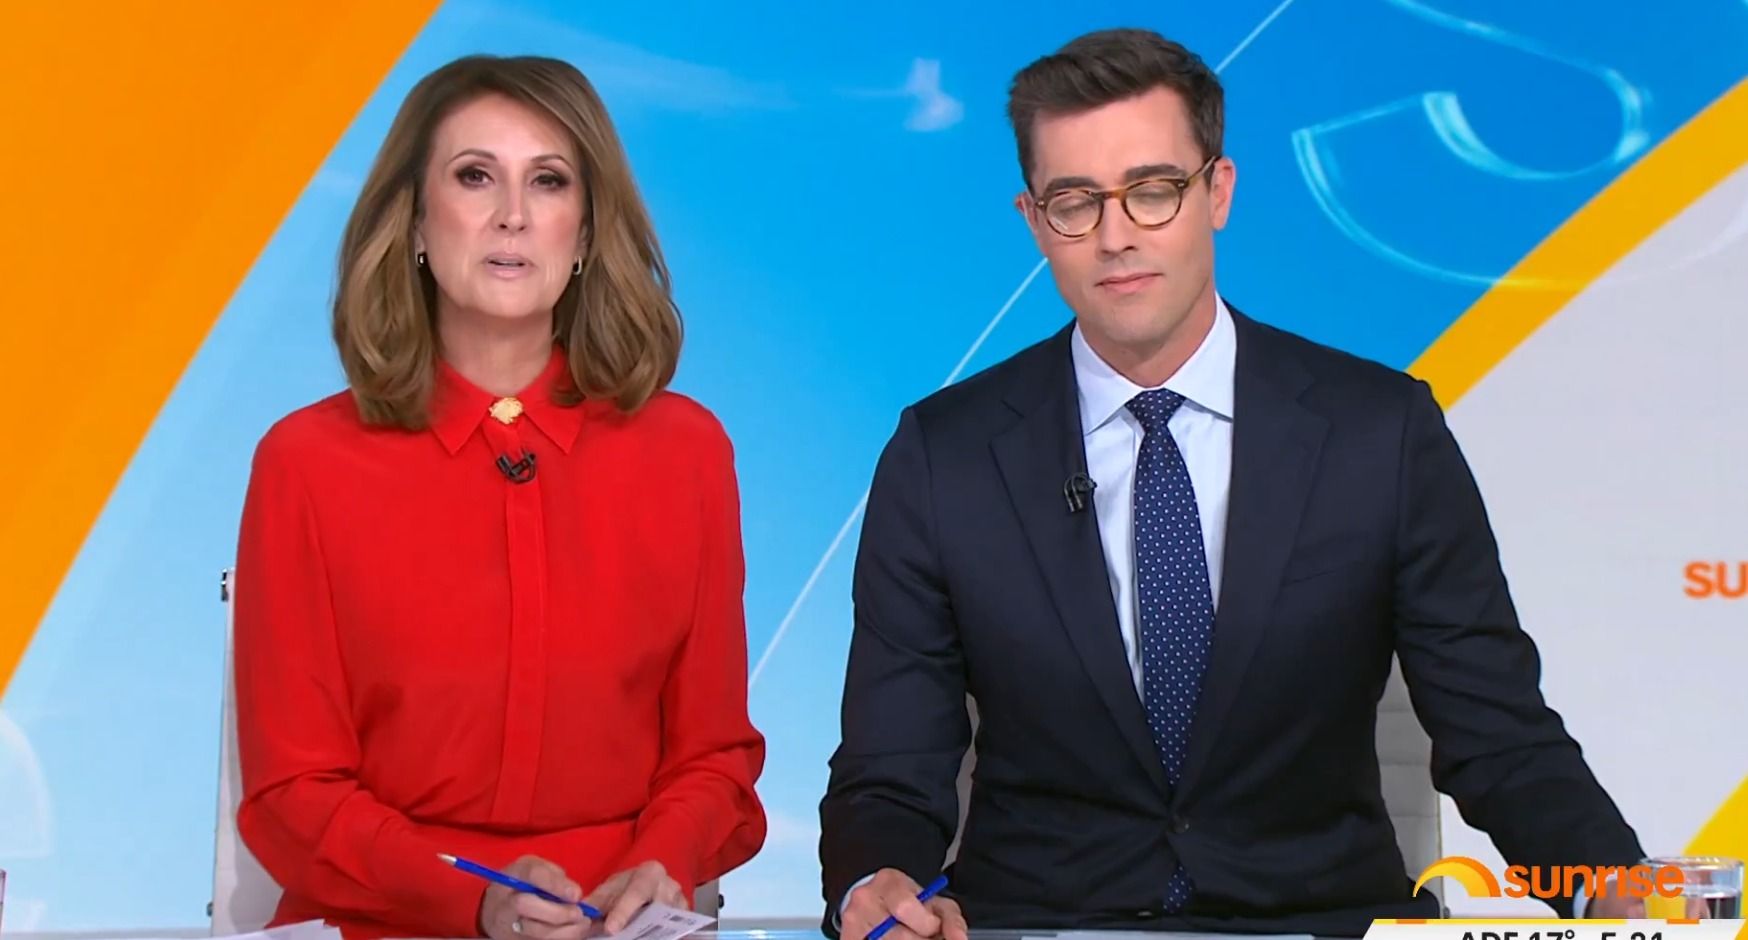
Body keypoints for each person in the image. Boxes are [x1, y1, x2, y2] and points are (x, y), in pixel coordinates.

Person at [819, 27, 1646, 939]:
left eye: (1153, 191)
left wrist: (1618, 891)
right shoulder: (946, 456)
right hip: (1040, 923)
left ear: (1217, 191)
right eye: (1075, 203)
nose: (1116, 237)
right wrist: (875, 880)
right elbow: (890, 767)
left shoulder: (1379, 433)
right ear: (1033, 220)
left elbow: (1501, 739)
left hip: (1324, 922)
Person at [233, 54, 766, 940]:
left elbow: (714, 759)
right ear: (414, 220)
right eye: (475, 176)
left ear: (585, 233)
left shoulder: (687, 451)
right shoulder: (305, 462)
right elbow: (293, 793)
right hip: (384, 919)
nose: (512, 214)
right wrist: (470, 899)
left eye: (548, 181)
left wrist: (661, 863)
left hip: (620, 921)